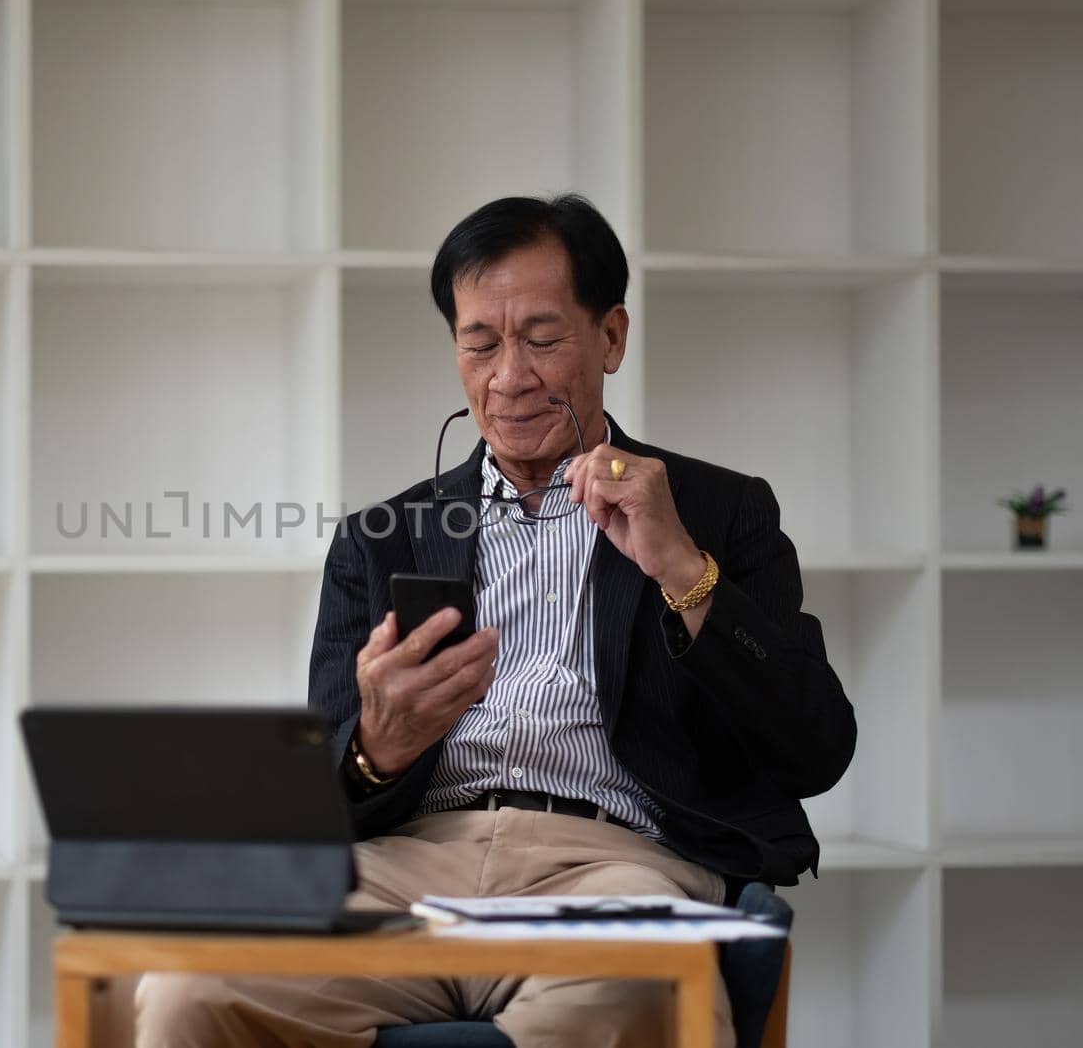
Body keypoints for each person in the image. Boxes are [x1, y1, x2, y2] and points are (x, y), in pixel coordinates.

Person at [135, 194, 855, 1048]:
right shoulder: (383, 539)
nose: (509, 377)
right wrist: (378, 747)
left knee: (630, 998)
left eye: (543, 340)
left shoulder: (719, 512)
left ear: (612, 337)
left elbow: (815, 749)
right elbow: (319, 794)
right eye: (480, 343)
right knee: (188, 991)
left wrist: (685, 572)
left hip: (614, 866)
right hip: (407, 869)